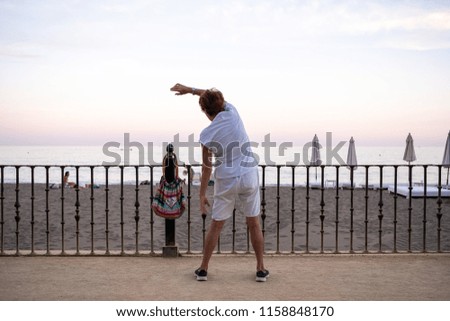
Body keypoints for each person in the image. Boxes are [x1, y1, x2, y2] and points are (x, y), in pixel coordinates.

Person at [170, 83, 269, 282]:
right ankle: (260, 269)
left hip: (227, 178)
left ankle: (203, 269)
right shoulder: (232, 112)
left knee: (216, 225)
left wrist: (201, 194)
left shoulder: (206, 135)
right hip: (248, 174)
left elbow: (206, 168)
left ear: (205, 111)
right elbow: (210, 96)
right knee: (254, 223)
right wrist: (190, 89)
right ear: (222, 103)